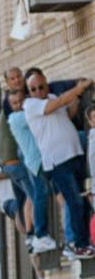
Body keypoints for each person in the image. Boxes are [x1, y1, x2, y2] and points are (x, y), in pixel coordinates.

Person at [23, 68, 95, 259]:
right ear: (29, 92)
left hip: (74, 155)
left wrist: (77, 99)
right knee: (75, 202)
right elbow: (59, 103)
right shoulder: (30, 105)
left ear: (46, 83)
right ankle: (78, 244)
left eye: (41, 86)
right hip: (58, 162)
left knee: (83, 201)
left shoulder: (52, 97)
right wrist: (79, 88)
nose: (38, 91)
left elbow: (67, 113)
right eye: (33, 89)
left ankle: (85, 241)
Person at [7, 88, 56, 253]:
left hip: (39, 159)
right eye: (15, 103)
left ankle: (39, 235)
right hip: (36, 161)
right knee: (40, 196)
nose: (19, 105)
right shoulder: (16, 118)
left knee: (41, 195)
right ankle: (40, 235)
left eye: (21, 101)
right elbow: (42, 113)